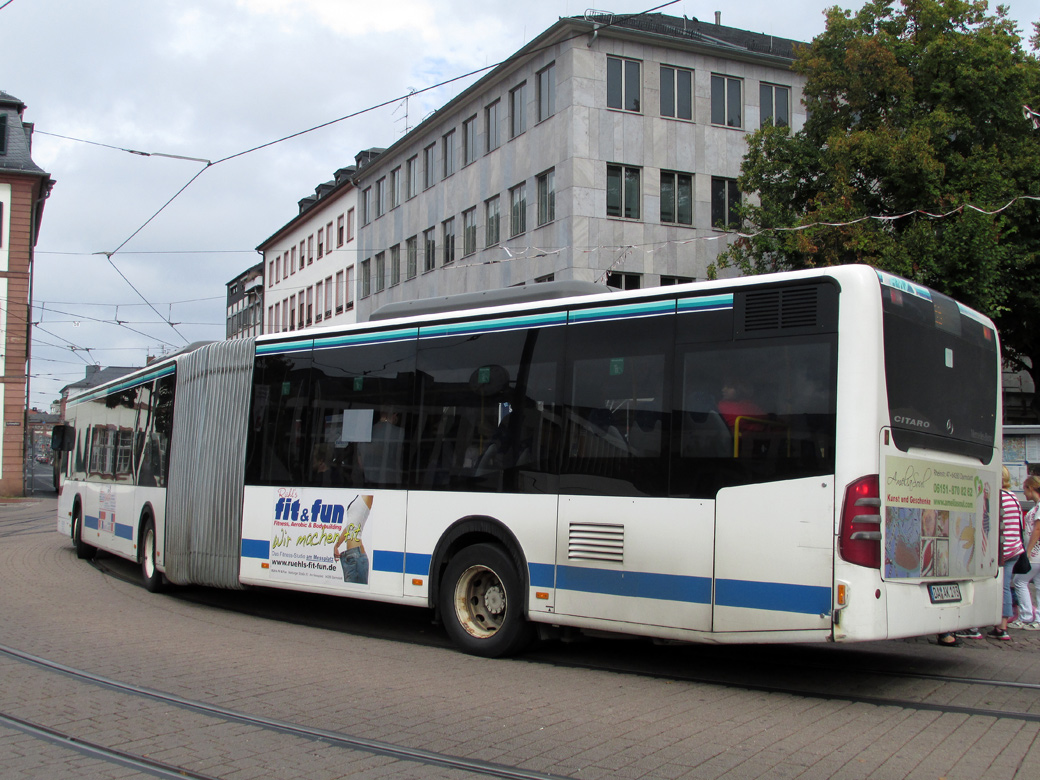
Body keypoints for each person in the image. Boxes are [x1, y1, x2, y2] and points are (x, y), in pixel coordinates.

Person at [990, 466, 1026, 641]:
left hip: (1001, 550)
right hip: (1015, 549)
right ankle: (1002, 625)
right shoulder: (1013, 497)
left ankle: (995, 625)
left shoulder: (998, 497)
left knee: (997, 586)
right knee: (1005, 586)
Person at [1009, 475, 1040, 630]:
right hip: (1037, 553)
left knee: (1019, 581)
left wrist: (1028, 550)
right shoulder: (1036, 507)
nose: (1024, 493)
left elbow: (1037, 529)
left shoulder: (1038, 508)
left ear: (1030, 488)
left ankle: (1026, 615)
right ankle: (1038, 618)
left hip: (1035, 553)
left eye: (1025, 489)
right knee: (1038, 584)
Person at [332, 494, 374, 584]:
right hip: (351, 557)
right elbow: (350, 527)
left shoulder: (367, 495)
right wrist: (337, 545)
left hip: (357, 557)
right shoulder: (358, 497)